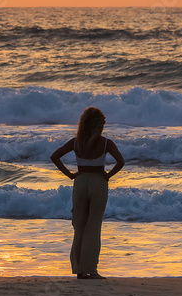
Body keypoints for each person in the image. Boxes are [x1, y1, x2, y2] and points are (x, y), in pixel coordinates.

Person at [49, 106, 125, 279]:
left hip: (80, 182)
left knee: (80, 227)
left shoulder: (75, 142)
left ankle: (79, 270)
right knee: (93, 227)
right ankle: (92, 269)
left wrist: (69, 175)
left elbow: (55, 156)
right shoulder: (106, 143)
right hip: (98, 182)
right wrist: (108, 175)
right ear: (98, 125)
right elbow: (120, 162)